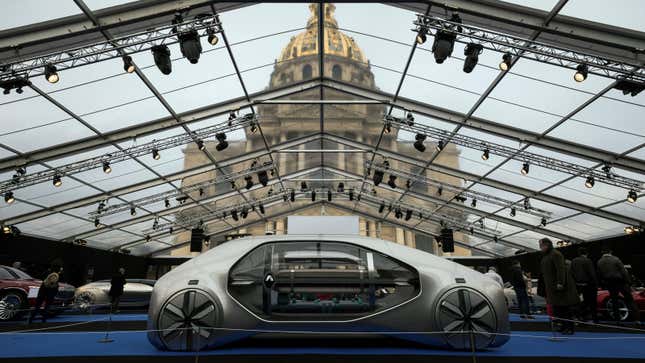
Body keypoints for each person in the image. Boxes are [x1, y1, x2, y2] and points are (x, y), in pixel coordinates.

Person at [539, 238, 579, 335]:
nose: (540, 248)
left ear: (547, 245)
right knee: (558, 309)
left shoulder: (556, 254)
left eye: (541, 246)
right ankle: (562, 326)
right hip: (552, 288)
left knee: (565, 309)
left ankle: (569, 328)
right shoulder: (546, 256)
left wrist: (560, 283)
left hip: (560, 288)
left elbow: (560, 269)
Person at [597, 247, 640, 323]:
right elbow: (624, 272)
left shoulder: (599, 262)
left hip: (610, 283)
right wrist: (629, 282)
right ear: (610, 252)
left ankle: (618, 320)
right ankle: (636, 319)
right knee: (629, 300)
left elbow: (599, 274)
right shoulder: (615, 259)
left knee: (614, 301)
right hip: (621, 282)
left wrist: (603, 283)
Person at [571, 247, 598, 322]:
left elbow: (571, 273)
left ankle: (581, 317)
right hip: (589, 285)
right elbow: (592, 274)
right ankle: (595, 319)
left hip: (578, 285)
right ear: (586, 253)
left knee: (581, 302)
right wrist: (596, 283)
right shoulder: (588, 261)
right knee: (592, 302)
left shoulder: (574, 261)